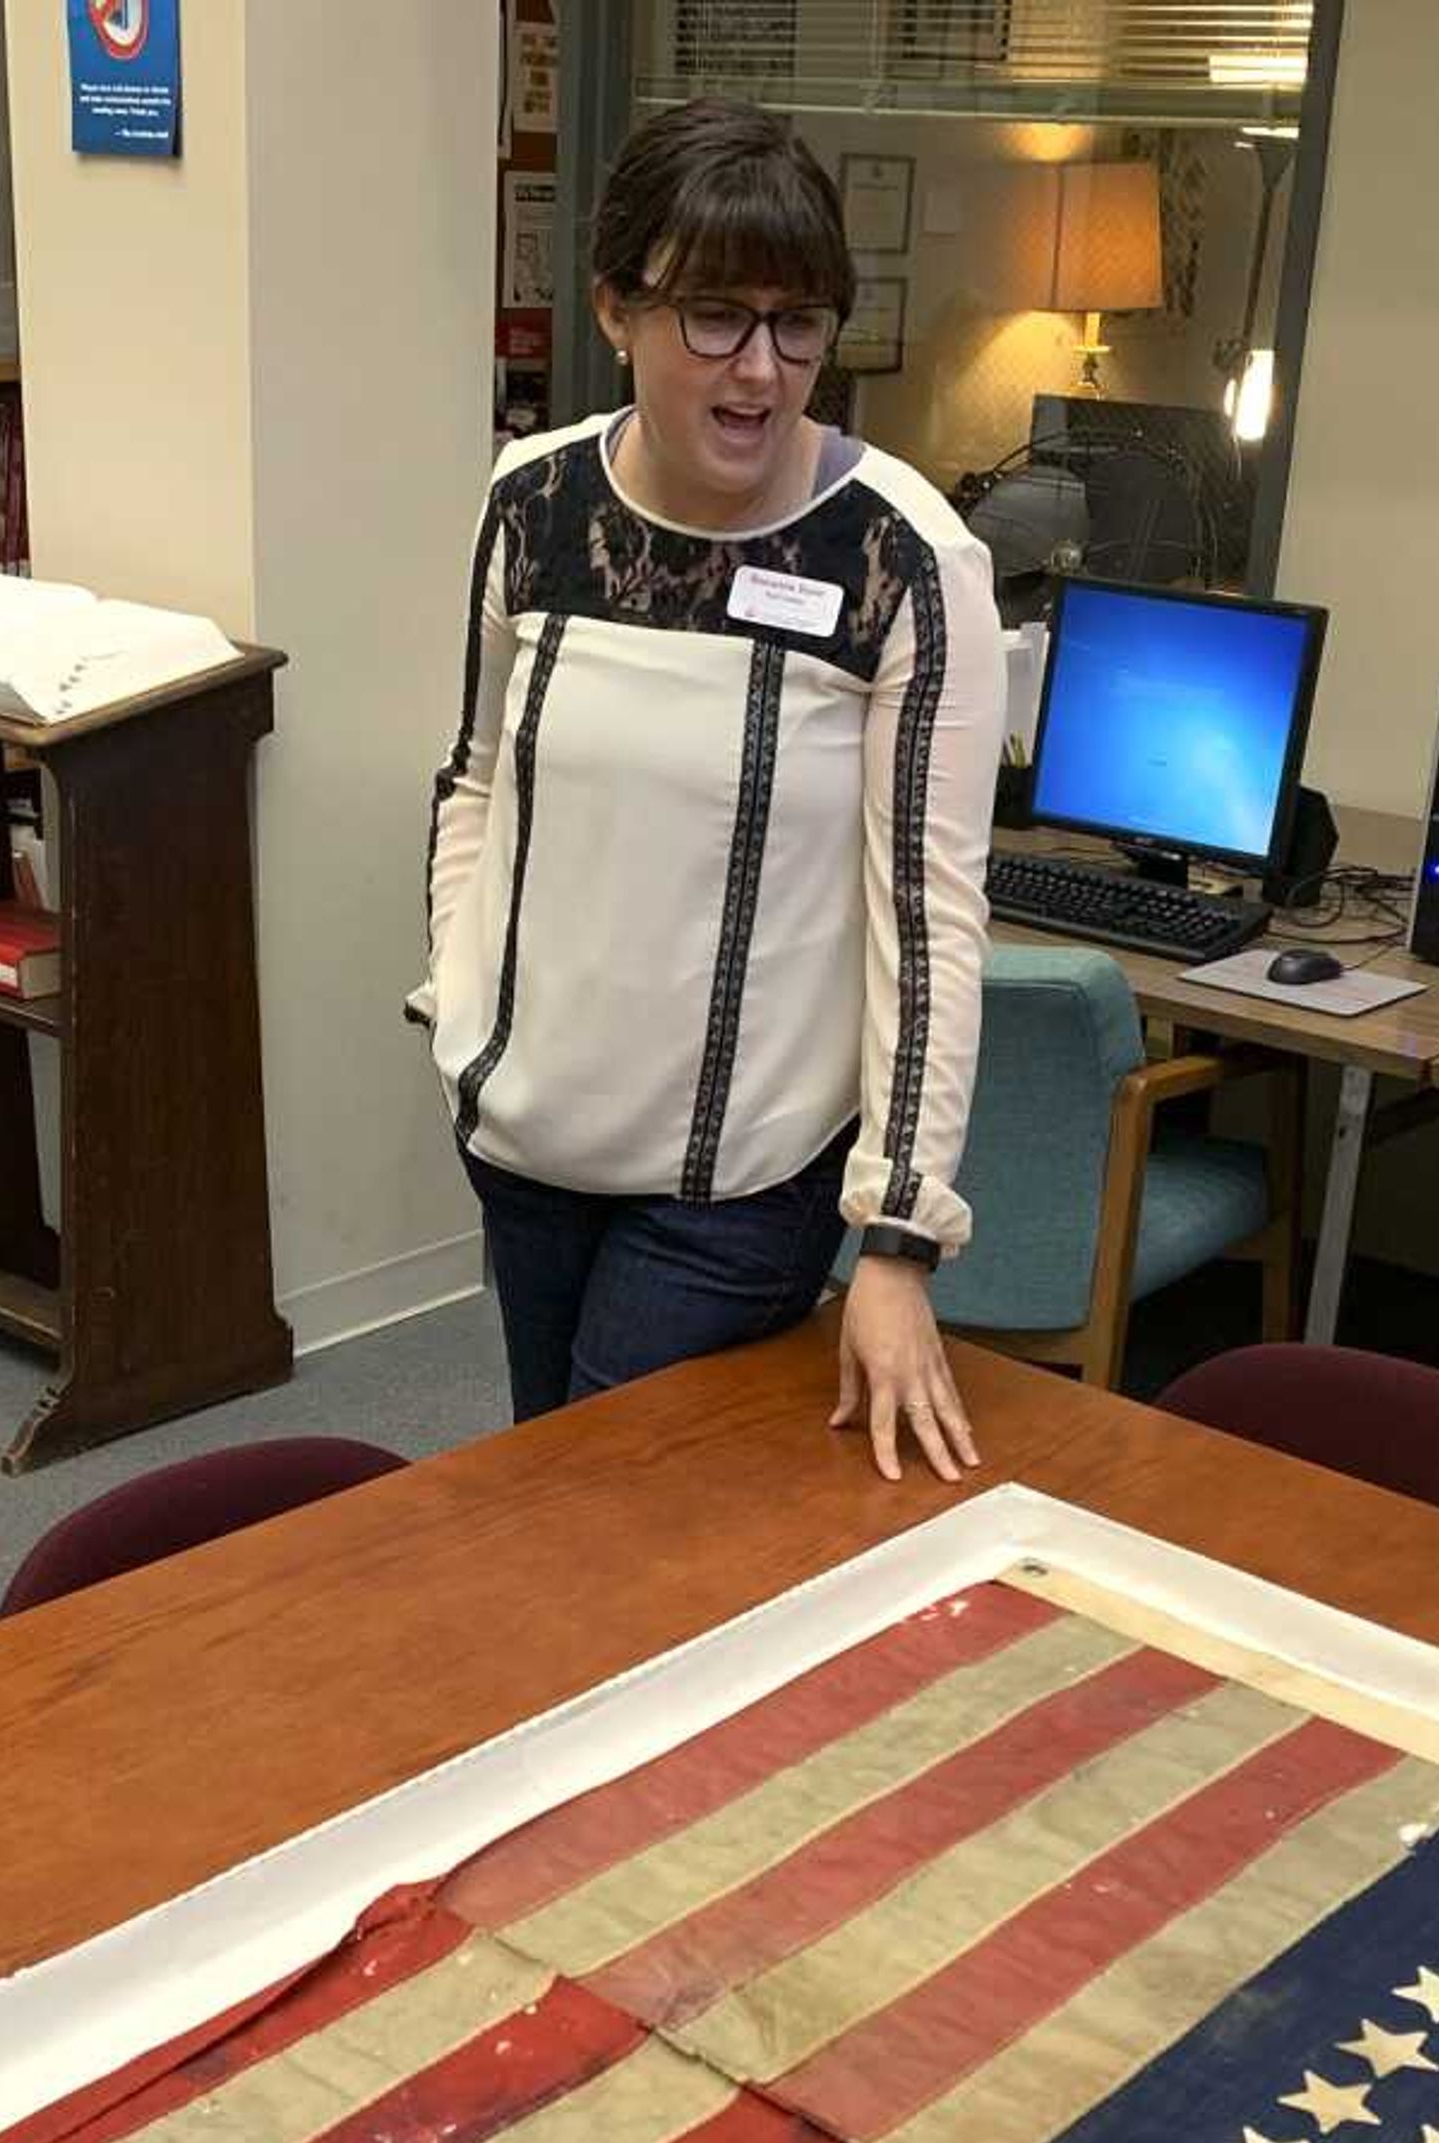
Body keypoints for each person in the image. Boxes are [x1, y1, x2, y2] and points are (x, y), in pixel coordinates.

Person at [413, 99, 1003, 1481]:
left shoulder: (902, 559)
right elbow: (473, 777)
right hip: (527, 1137)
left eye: (799, 324)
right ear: (617, 308)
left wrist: (900, 1234)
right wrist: (460, 1002)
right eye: (717, 319)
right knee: (544, 1486)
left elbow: (930, 917)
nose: (761, 371)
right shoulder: (534, 505)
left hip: (739, 1185)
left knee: (603, 1515)